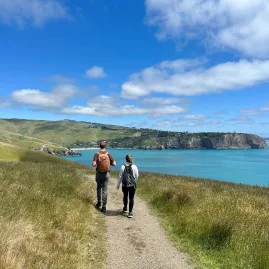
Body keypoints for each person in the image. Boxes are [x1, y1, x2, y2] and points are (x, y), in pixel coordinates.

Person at [92, 141, 116, 213]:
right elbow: (114, 164)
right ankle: (104, 207)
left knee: (99, 188)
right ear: (105, 147)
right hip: (106, 174)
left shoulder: (97, 154)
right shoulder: (108, 154)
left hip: (99, 173)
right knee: (105, 190)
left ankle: (99, 203)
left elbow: (93, 164)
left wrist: (97, 162)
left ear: (99, 146)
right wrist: (109, 163)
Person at [117, 154, 139, 218]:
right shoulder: (134, 166)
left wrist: (118, 184)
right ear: (131, 159)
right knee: (131, 198)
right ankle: (130, 212)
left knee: (125, 196)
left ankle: (125, 208)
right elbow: (136, 175)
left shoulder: (122, 166)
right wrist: (135, 182)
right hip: (132, 185)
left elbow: (120, 176)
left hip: (125, 185)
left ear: (125, 159)